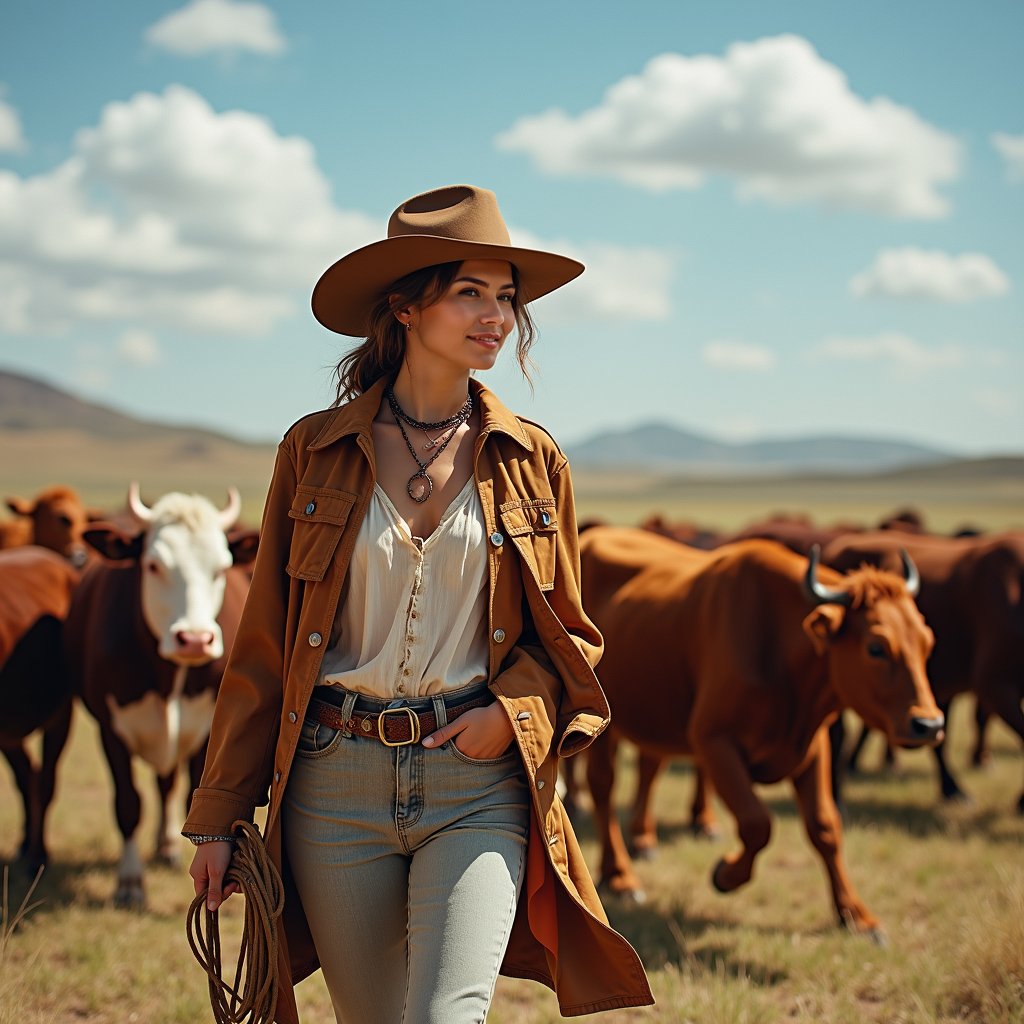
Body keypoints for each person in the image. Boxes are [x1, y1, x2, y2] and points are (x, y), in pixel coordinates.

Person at [184, 184, 654, 1023]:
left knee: (447, 1016)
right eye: (471, 291)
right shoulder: (313, 451)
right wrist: (219, 814)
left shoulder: (531, 461)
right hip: (334, 780)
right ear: (405, 306)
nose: (497, 316)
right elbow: (263, 647)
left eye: (506, 297)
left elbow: (573, 641)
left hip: (474, 781)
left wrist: (509, 714)